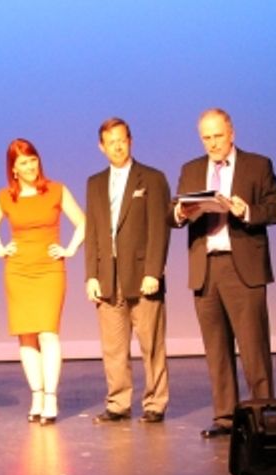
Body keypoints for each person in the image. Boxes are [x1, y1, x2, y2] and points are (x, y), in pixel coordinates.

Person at [172, 108, 276, 438]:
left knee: (253, 349)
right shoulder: (191, 169)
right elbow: (172, 214)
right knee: (216, 350)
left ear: (231, 133)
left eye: (217, 136)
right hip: (206, 268)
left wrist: (245, 210)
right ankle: (225, 418)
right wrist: (180, 211)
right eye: (206, 138)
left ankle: (264, 415)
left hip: (243, 268)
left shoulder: (257, 165)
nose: (212, 143)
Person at [0, 139, 85, 424]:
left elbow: (83, 222)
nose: (30, 166)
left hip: (49, 269)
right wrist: (0, 248)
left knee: (48, 332)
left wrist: (69, 249)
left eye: (33, 160)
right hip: (18, 270)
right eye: (23, 163)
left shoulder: (56, 190)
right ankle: (37, 395)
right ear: (13, 169)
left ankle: (51, 397)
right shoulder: (5, 197)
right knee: (26, 335)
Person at [84, 118, 172, 424]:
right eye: (111, 142)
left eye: (122, 140)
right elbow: (93, 231)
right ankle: (118, 403)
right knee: (113, 348)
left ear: (130, 141)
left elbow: (160, 230)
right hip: (108, 277)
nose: (117, 146)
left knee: (151, 344)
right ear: (101, 146)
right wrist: (91, 275)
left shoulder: (151, 178)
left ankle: (155, 403)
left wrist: (154, 271)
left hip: (142, 276)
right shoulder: (94, 183)